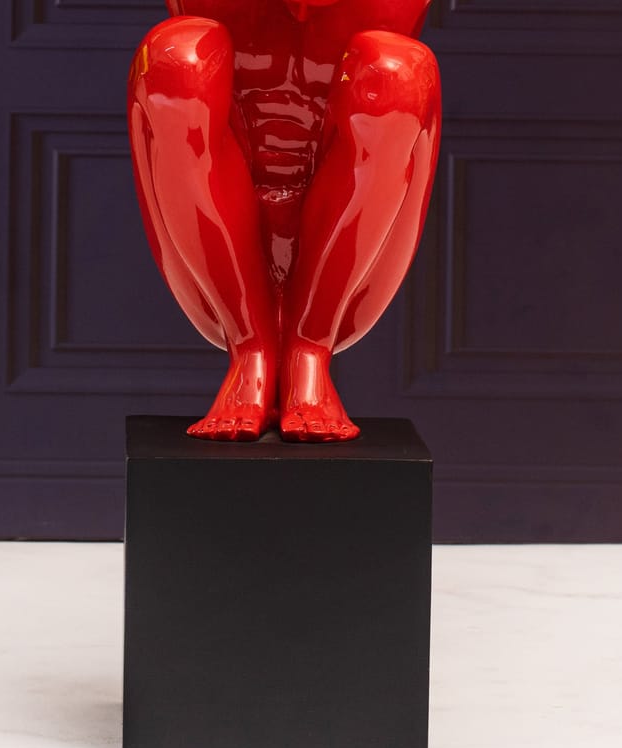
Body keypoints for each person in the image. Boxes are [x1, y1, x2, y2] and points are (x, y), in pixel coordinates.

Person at [128, 0, 440, 441]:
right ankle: (249, 346)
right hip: (215, 209)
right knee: (174, 55)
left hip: (354, 219)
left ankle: (309, 349)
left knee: (398, 69)